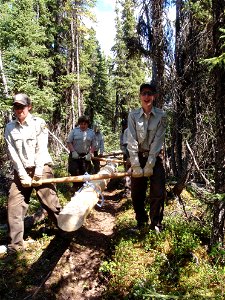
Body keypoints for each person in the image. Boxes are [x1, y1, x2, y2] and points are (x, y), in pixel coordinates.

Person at [4, 93, 62, 254]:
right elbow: (12, 153)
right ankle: (15, 246)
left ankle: (66, 230)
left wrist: (37, 174)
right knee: (14, 206)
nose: (19, 110)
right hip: (21, 170)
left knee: (50, 203)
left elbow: (41, 148)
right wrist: (22, 175)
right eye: (16, 107)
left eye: (22, 106)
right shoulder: (9, 128)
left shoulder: (39, 123)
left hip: (41, 167)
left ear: (29, 107)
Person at [127, 83, 167, 232]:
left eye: (149, 93)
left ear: (154, 96)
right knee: (137, 193)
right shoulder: (132, 116)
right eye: (143, 93)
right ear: (140, 96)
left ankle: (156, 224)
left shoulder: (162, 116)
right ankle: (141, 223)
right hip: (137, 156)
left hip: (155, 158)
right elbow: (131, 139)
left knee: (158, 192)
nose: (146, 96)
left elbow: (158, 140)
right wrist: (136, 165)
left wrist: (150, 164)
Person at [67, 115, 96, 193]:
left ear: (87, 124)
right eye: (81, 124)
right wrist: (73, 151)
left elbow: (94, 144)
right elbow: (69, 142)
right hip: (75, 154)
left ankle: (84, 187)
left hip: (85, 155)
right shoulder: (74, 131)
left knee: (84, 171)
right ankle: (75, 186)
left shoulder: (91, 133)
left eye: (85, 124)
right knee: (73, 170)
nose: (83, 126)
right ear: (79, 124)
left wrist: (90, 153)